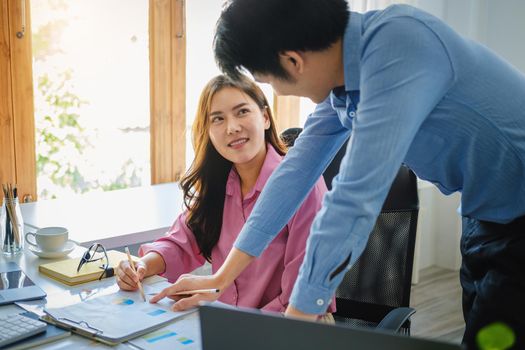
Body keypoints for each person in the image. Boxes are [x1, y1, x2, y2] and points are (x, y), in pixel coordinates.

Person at [163, 0, 525, 348]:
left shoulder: (398, 48)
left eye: (270, 82)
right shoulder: (344, 87)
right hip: (486, 211)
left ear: (292, 61)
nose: (276, 90)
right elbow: (293, 174)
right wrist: (221, 277)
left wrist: (298, 320)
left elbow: (352, 201)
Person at [116, 74, 334, 316]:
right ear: (208, 132)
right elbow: (182, 243)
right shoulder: (220, 186)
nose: (232, 128)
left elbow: (302, 295)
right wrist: (142, 266)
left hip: (294, 325)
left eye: (242, 112)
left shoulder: (302, 184)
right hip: (230, 324)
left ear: (264, 117)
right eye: (218, 119)